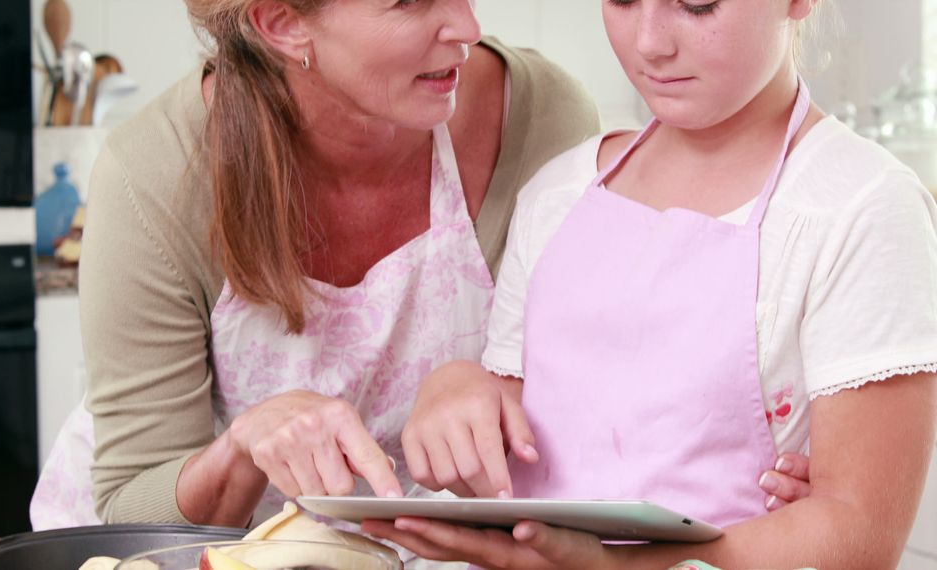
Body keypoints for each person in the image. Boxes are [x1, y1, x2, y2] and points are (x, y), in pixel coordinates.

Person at [365, 0, 937, 567]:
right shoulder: (558, 193)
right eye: (621, 0)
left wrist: (626, 566)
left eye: (696, 4)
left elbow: (860, 536)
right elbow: (510, 444)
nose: (649, 44)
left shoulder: (860, 207)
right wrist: (456, 389)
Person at [29, 0, 602, 533]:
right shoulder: (155, 174)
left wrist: (492, 387)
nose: (466, 27)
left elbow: (593, 417)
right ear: (283, 22)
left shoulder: (536, 120)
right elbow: (133, 505)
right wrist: (242, 444)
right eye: (410, 0)